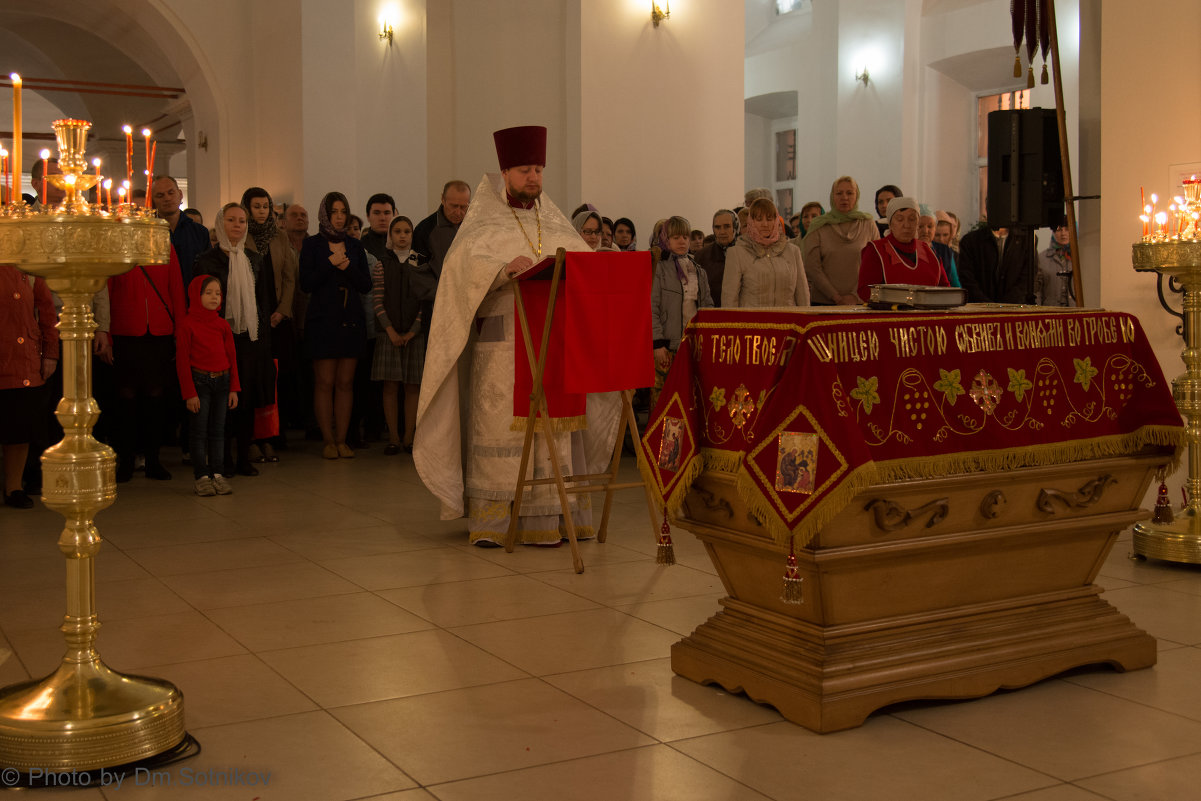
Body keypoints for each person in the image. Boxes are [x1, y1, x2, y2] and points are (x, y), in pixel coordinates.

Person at [414, 125, 619, 547]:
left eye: (539, 170)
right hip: (503, 345)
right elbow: (460, 269)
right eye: (526, 169)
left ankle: (551, 518)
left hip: (552, 341)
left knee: (552, 435)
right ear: (505, 171)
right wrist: (501, 270)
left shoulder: (554, 219)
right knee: (502, 430)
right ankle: (494, 521)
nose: (534, 178)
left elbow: (580, 259)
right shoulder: (482, 221)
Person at [192, 203, 276, 475]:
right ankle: (222, 459)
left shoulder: (254, 258)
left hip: (250, 338)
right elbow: (200, 302)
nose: (237, 225)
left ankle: (243, 457)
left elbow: (263, 301)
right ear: (220, 224)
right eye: (231, 220)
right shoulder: (207, 260)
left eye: (241, 221)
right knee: (222, 402)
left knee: (246, 399)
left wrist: (263, 341)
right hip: (218, 338)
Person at [95, 248, 186, 482]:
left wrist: (180, 331)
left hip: (159, 330)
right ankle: (125, 460)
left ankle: (153, 460)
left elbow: (175, 286)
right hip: (124, 329)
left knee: (156, 398)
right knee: (125, 398)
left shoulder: (163, 242)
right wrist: (107, 335)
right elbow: (107, 288)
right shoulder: (116, 244)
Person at [299, 192, 372, 459]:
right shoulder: (313, 245)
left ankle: (342, 440)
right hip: (323, 321)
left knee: (345, 382)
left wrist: (348, 265)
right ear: (325, 215)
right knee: (325, 381)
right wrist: (331, 264)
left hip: (350, 319)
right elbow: (306, 283)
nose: (339, 217)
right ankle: (328, 440)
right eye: (335, 212)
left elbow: (366, 285)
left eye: (343, 212)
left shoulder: (354, 246)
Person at [241, 186, 298, 463]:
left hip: (276, 318)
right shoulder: (242, 235)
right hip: (250, 320)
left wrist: (282, 310)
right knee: (252, 380)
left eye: (266, 206)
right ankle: (250, 438)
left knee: (276, 380)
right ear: (247, 208)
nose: (262, 211)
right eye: (257, 206)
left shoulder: (279, 236)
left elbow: (289, 277)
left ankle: (272, 435)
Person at [372, 215, 436, 454]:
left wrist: (413, 330)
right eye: (397, 231)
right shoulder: (382, 263)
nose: (402, 236)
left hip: (414, 334)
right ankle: (393, 436)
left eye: (407, 232)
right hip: (388, 334)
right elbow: (377, 301)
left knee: (412, 386)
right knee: (390, 386)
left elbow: (423, 301)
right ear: (390, 235)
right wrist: (390, 330)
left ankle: (410, 436)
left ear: (412, 235)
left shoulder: (419, 263)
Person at [176, 275, 240, 496]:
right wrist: (189, 393)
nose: (214, 297)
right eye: (208, 293)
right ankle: (202, 476)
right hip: (199, 382)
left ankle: (218, 474)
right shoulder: (187, 324)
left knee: (218, 431)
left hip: (222, 382)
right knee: (199, 432)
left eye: (218, 293)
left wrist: (234, 387)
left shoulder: (222, 325)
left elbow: (232, 357)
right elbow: (182, 362)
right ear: (196, 295)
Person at [0, 265, 58, 508]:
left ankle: (14, 486)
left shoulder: (29, 267)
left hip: (23, 360)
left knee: (20, 426)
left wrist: (50, 354)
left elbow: (47, 311)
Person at [651, 216, 713, 407]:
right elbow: (652, 307)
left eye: (685, 236)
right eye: (676, 237)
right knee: (663, 399)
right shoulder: (658, 269)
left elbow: (706, 305)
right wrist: (657, 343)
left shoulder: (698, 270)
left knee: (689, 399)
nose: (682, 241)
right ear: (665, 239)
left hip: (692, 343)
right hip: (667, 345)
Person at [801, 176, 879, 305]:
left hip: (860, 301)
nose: (844, 197)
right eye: (839, 193)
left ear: (857, 195)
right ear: (832, 196)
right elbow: (812, 267)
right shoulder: (819, 225)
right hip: (823, 302)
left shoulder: (868, 224)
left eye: (849, 193)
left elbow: (875, 264)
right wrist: (835, 296)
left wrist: (854, 296)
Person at [857, 197, 951, 301]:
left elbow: (945, 291)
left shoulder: (929, 252)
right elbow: (865, 292)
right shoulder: (875, 251)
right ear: (890, 224)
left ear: (917, 223)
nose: (906, 225)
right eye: (900, 219)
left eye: (912, 219)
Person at [722, 198, 809, 308]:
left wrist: (805, 319)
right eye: (759, 219)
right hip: (753, 323)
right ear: (751, 222)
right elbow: (729, 299)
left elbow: (802, 294)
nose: (765, 224)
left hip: (788, 322)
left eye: (769, 219)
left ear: (776, 220)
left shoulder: (793, 251)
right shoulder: (736, 253)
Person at [151, 176, 211, 286]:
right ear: (153, 202)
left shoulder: (200, 232)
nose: (167, 198)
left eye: (171, 192)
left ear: (180, 194)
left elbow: (207, 273)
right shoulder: (148, 233)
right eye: (160, 195)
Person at [957, 223, 1037, 304]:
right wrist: (988, 305)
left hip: (1014, 308)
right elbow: (967, 278)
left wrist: (1006, 305)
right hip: (980, 309)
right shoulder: (971, 241)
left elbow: (1027, 278)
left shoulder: (1026, 240)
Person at [413, 180, 471, 277]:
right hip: (436, 290)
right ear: (443, 200)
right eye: (454, 206)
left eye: (463, 207)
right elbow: (418, 272)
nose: (458, 212)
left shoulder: (474, 227)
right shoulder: (425, 229)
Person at [695, 209, 737, 305]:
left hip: (742, 314)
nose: (722, 232)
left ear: (735, 227)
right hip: (712, 314)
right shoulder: (702, 256)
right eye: (717, 227)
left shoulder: (745, 253)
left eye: (727, 226)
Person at [1036, 218, 1074, 306]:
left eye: (1067, 229)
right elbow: (1037, 291)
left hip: (1075, 313)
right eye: (1059, 230)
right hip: (1050, 313)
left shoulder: (1082, 258)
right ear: (1053, 232)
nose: (1063, 233)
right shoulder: (1042, 258)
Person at [361, 193, 396, 263]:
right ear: (368, 216)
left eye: (387, 213)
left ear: (394, 215)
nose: (382, 218)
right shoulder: (360, 246)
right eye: (377, 213)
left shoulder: (405, 243)